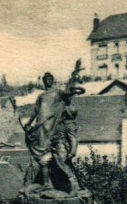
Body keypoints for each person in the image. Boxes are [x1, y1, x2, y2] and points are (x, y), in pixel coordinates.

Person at [23, 62, 85, 195]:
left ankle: (72, 185)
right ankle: (46, 184)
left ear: (53, 81)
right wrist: (29, 123)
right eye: (46, 80)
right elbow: (35, 111)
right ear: (44, 82)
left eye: (50, 79)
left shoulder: (58, 92)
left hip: (52, 125)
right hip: (41, 125)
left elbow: (68, 93)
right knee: (42, 155)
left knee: (57, 157)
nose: (49, 81)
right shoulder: (41, 96)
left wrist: (74, 81)